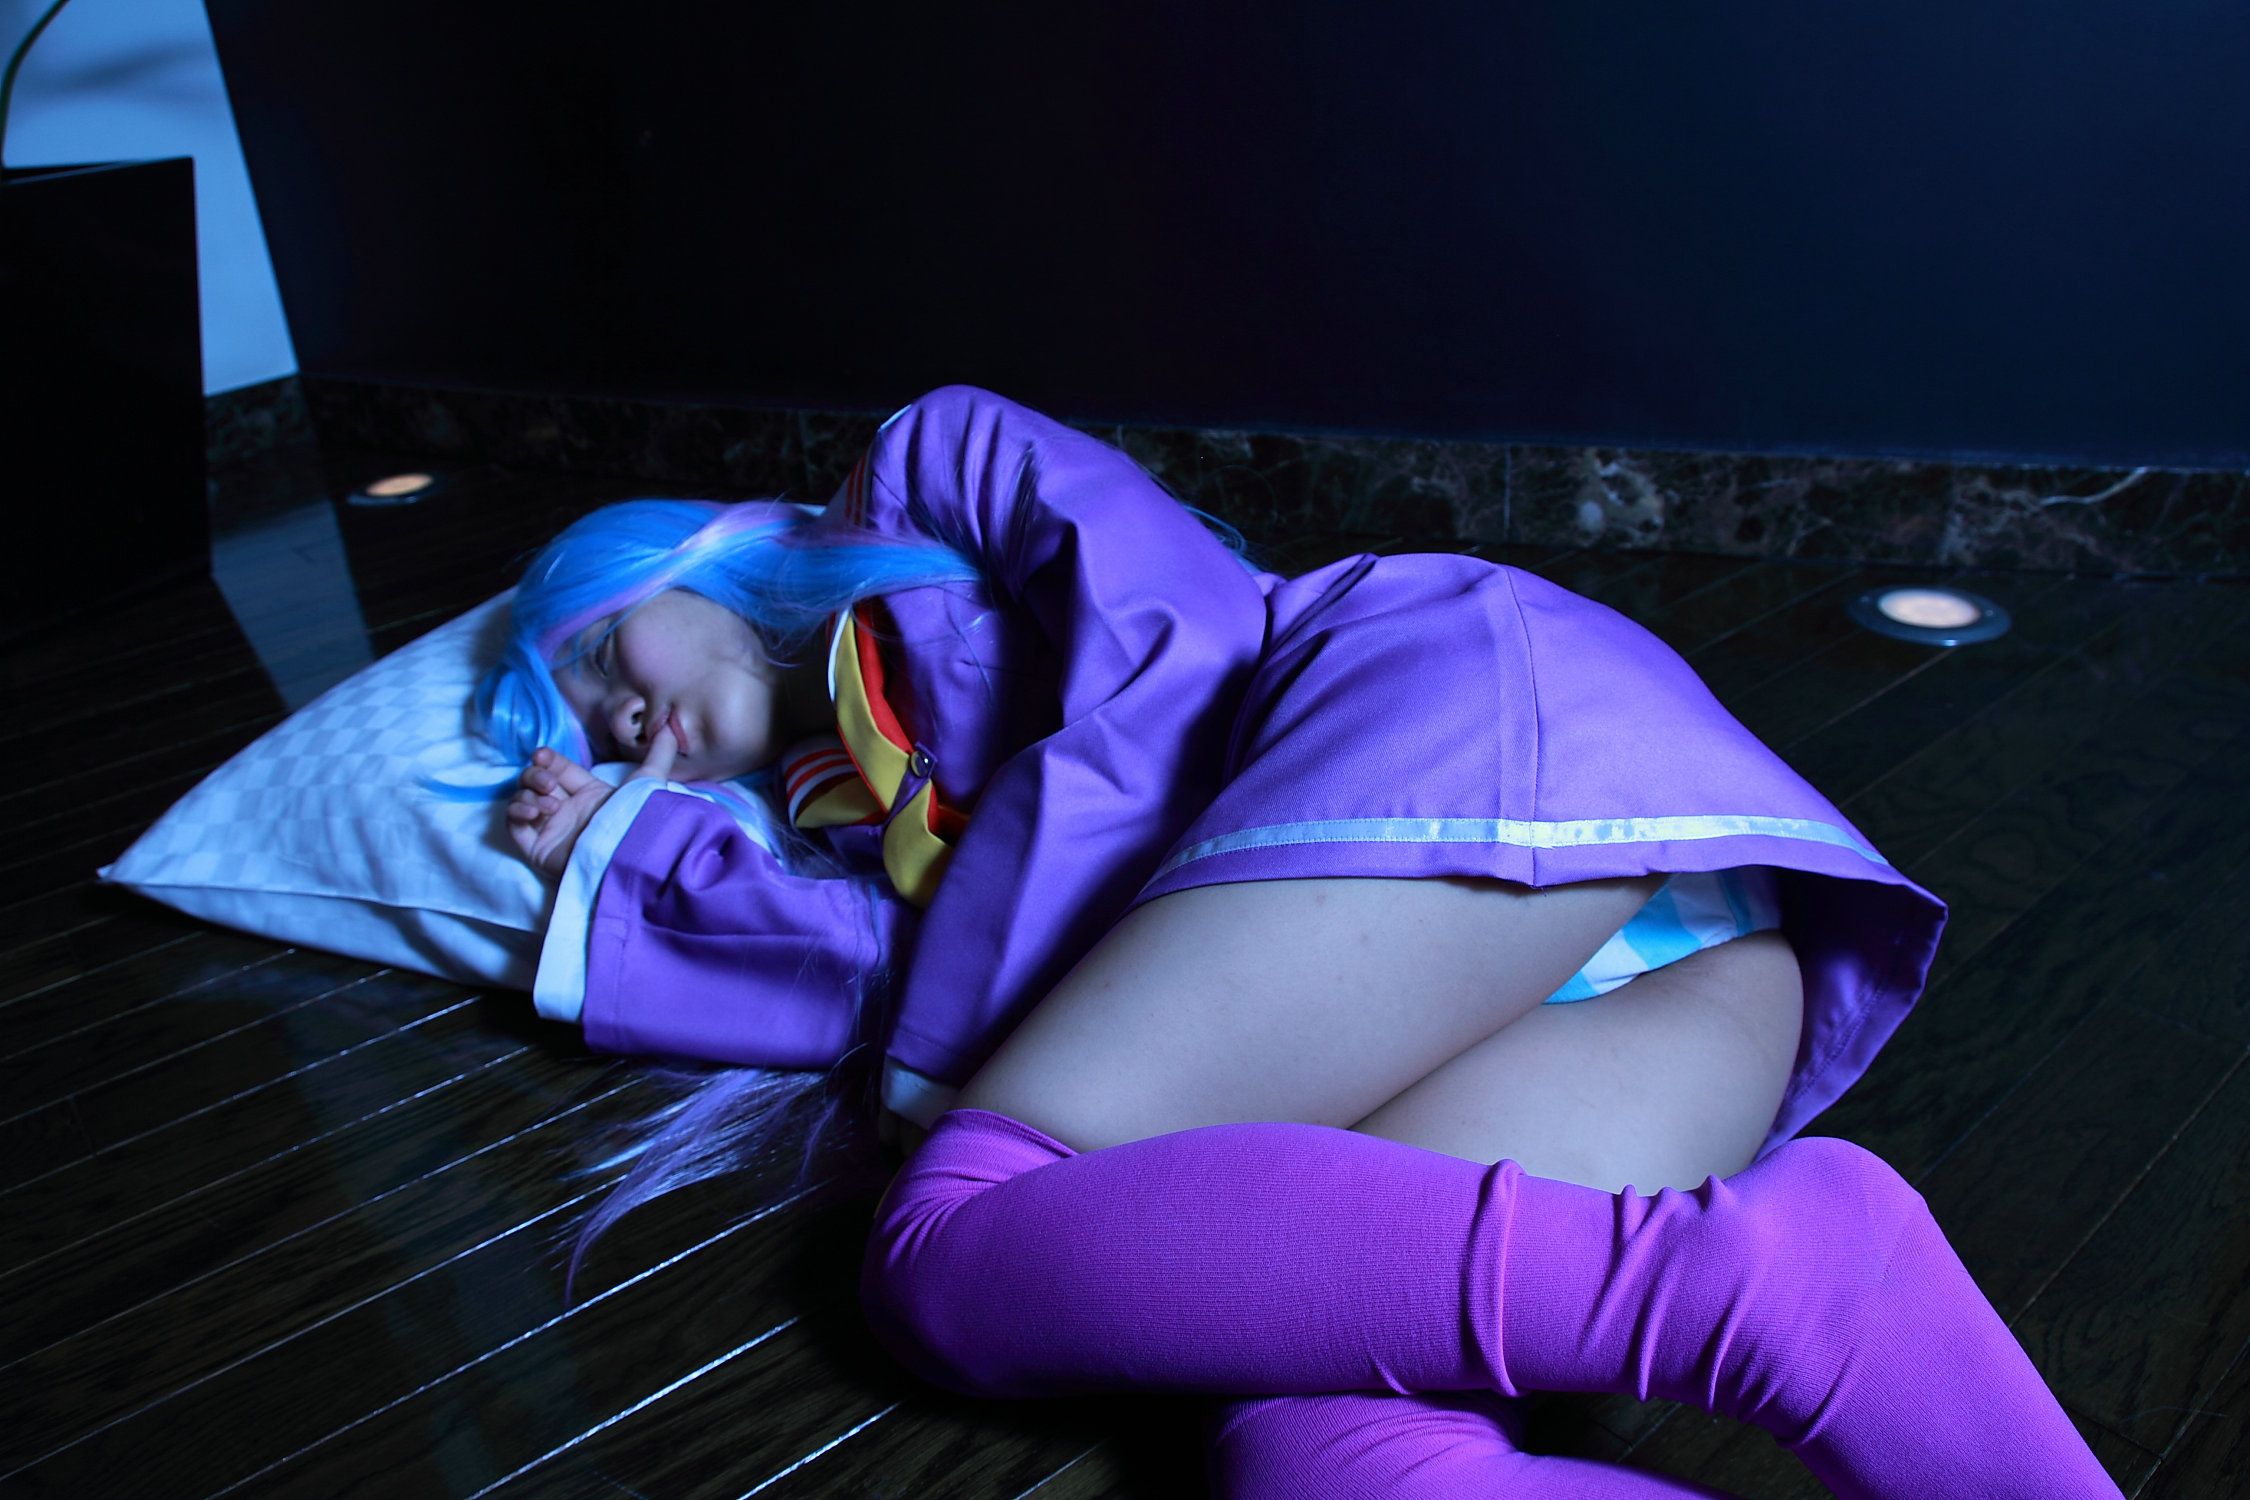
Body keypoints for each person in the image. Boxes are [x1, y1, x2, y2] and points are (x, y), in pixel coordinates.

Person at [484, 385, 2120, 1498]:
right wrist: (622, 846)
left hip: (1460, 753)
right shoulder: (838, 814)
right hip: (1673, 974)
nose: (618, 715)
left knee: (942, 1254)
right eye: (583, 724)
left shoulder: (923, 468)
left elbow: (1170, 631)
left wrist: (972, 1072)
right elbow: (873, 989)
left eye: (601, 653)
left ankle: (1754, 1295)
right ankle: (1783, 1280)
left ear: (676, 558)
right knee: (1323, 1452)